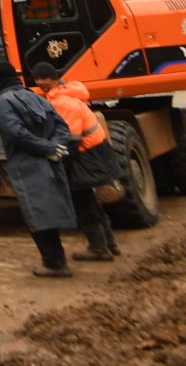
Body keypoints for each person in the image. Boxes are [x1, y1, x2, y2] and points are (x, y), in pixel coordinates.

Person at [0, 60, 79, 278]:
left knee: (37, 214)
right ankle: (57, 260)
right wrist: (56, 147)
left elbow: (15, 133)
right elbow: (61, 125)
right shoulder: (35, 96)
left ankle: (54, 264)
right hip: (49, 160)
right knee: (50, 210)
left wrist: (47, 148)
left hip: (27, 164)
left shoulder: (4, 101)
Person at [28, 65, 120, 262]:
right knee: (91, 201)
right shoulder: (65, 94)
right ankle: (109, 244)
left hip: (85, 155)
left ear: (54, 79)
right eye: (38, 79)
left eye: (45, 78)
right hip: (94, 152)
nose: (41, 82)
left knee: (83, 202)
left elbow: (71, 138)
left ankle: (99, 248)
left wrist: (58, 162)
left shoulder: (62, 102)